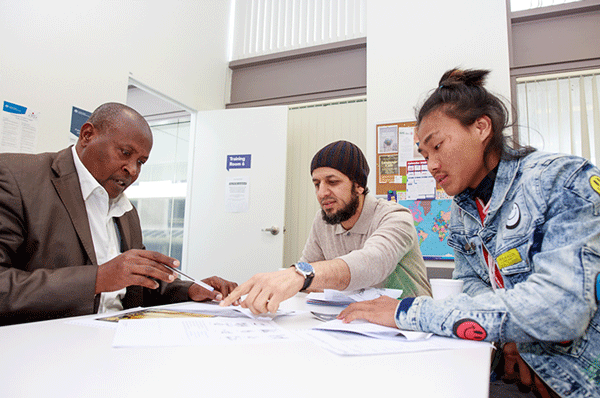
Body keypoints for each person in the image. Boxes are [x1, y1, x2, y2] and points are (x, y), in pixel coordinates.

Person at [338, 68, 600, 398]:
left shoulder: (559, 179)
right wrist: (509, 335)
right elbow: (471, 281)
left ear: (481, 127)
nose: (431, 164)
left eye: (436, 146)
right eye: (424, 154)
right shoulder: (463, 210)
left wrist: (409, 312)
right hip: (522, 367)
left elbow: (560, 310)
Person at [0, 102, 237, 326]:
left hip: (114, 340)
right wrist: (98, 278)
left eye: (141, 162)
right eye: (125, 153)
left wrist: (190, 290)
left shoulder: (125, 210)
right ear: (87, 135)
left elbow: (137, 287)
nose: (132, 170)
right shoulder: (16, 178)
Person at [221, 140, 431, 315]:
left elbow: (372, 263)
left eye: (332, 182)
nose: (322, 193)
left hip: (408, 326)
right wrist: (281, 285)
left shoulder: (395, 217)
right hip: (352, 323)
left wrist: (300, 275)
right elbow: (309, 272)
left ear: (358, 185)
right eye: (316, 184)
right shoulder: (323, 220)